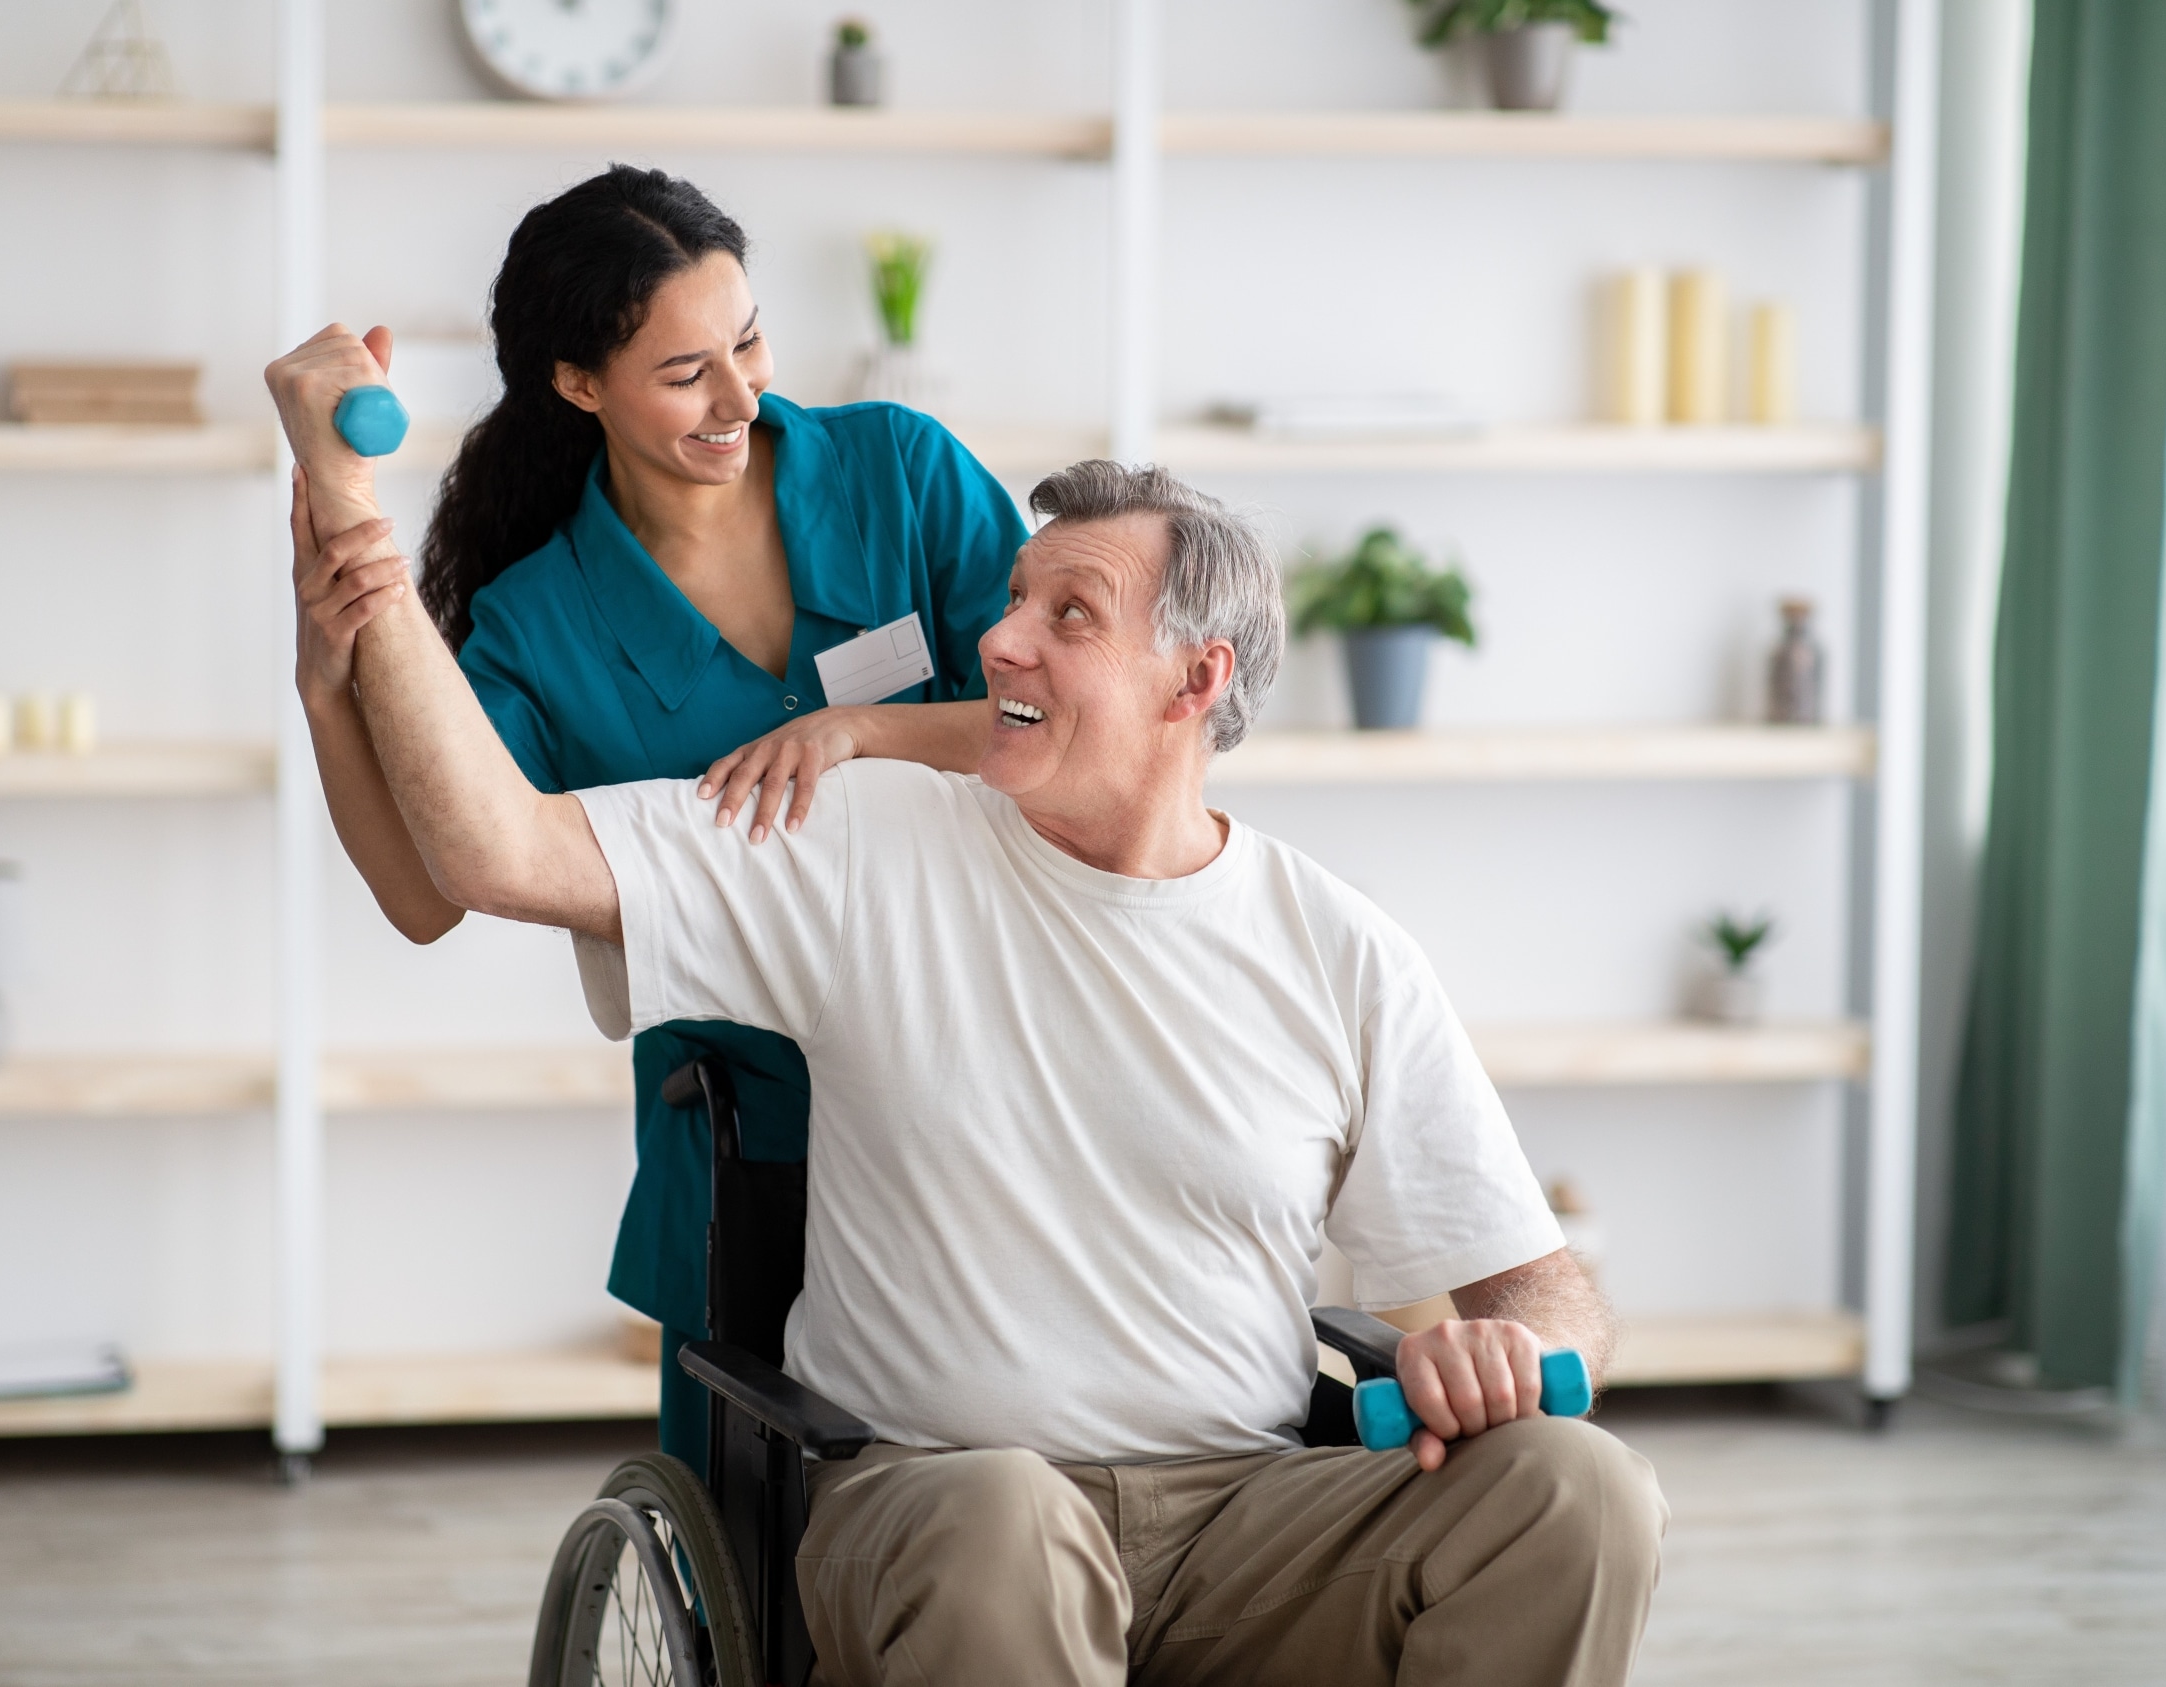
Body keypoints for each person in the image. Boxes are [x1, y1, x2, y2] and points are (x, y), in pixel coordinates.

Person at [264, 369, 1668, 1680]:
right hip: (937, 1498)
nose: (996, 636)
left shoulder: (1338, 949)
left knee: (1579, 1486)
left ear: (1198, 684)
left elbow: (1546, 1294)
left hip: (1248, 1517)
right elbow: (496, 852)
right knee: (1010, 1513)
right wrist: (358, 545)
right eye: (1014, 599)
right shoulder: (862, 845)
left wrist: (1513, 1358)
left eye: (1071, 617)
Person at [281, 165, 1026, 1470]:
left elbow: (1061, 727)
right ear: (578, 384)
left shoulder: (903, 475)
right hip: (752, 1153)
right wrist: (326, 692)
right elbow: (422, 892)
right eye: (686, 373)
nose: (742, 396)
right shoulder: (535, 619)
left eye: (747, 340)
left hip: (993, 1088)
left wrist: (860, 727)